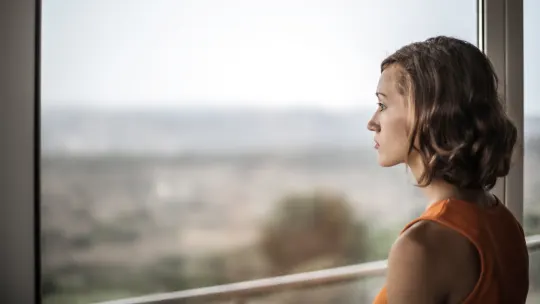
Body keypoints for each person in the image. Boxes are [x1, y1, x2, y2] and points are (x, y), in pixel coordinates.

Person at [367, 36, 529, 303]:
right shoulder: (505, 222)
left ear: (428, 112)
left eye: (382, 105)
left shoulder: (421, 247)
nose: (372, 123)